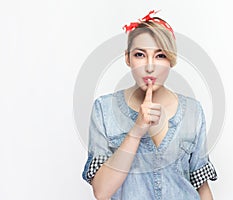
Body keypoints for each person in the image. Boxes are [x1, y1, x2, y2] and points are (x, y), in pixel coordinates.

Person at [82, 10, 218, 200]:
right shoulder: (104, 110)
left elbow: (201, 187)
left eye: (160, 55)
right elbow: (102, 191)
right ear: (128, 58)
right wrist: (137, 130)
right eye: (140, 54)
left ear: (171, 60)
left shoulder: (193, 111)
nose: (150, 66)